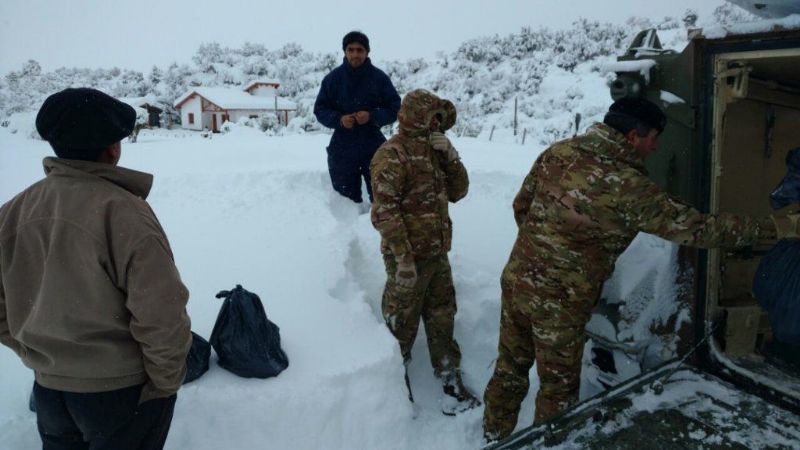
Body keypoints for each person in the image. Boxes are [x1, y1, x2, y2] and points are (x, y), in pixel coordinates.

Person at [481, 96, 799, 442]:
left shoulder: (560, 152)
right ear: (633, 135)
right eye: (653, 138)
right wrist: (776, 227)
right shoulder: (627, 185)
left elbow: (522, 205)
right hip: (561, 300)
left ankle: (493, 436)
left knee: (510, 366)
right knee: (558, 390)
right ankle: (547, 445)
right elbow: (699, 229)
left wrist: (541, 253)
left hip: (517, 280)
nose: (656, 146)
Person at [0, 87, 192, 450]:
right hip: (119, 393)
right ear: (113, 149)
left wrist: (35, 351)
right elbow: (162, 313)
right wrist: (164, 384)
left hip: (49, 390)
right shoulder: (126, 214)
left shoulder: (14, 210)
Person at [370, 89, 480, 415]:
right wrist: (403, 259)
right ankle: (393, 385)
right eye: (433, 116)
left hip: (436, 253)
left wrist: (451, 157)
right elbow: (384, 213)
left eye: (440, 118)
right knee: (401, 323)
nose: (438, 122)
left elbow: (459, 192)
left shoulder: (435, 150)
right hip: (407, 258)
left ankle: (449, 379)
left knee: (442, 316)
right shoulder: (392, 155)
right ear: (416, 116)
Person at [314, 30, 401, 205]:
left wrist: (372, 116)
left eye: (360, 50)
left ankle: (378, 230)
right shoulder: (332, 79)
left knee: (383, 198)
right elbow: (320, 109)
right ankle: (349, 231)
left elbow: (395, 107)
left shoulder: (379, 78)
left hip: (374, 145)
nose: (355, 54)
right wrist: (339, 120)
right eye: (351, 49)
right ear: (344, 52)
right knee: (345, 204)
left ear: (367, 52)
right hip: (342, 148)